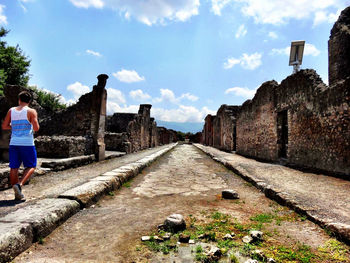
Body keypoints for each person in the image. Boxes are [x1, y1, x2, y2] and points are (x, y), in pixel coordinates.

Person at [2, 91, 39, 200]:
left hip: (14, 143)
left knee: (14, 167)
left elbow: (5, 126)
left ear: (19, 100)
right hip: (27, 143)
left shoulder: (11, 111)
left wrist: (14, 127)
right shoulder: (31, 111)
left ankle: (17, 194)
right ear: (30, 101)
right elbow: (36, 128)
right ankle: (19, 185)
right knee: (31, 166)